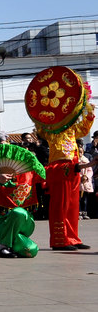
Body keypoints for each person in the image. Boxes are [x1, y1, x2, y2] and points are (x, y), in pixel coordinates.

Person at [35, 104, 95, 251]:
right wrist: (38, 115)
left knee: (73, 206)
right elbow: (41, 129)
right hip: (60, 169)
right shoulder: (52, 130)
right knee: (60, 206)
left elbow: (85, 127)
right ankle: (59, 240)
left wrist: (89, 110)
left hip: (73, 169)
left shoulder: (72, 129)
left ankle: (73, 238)